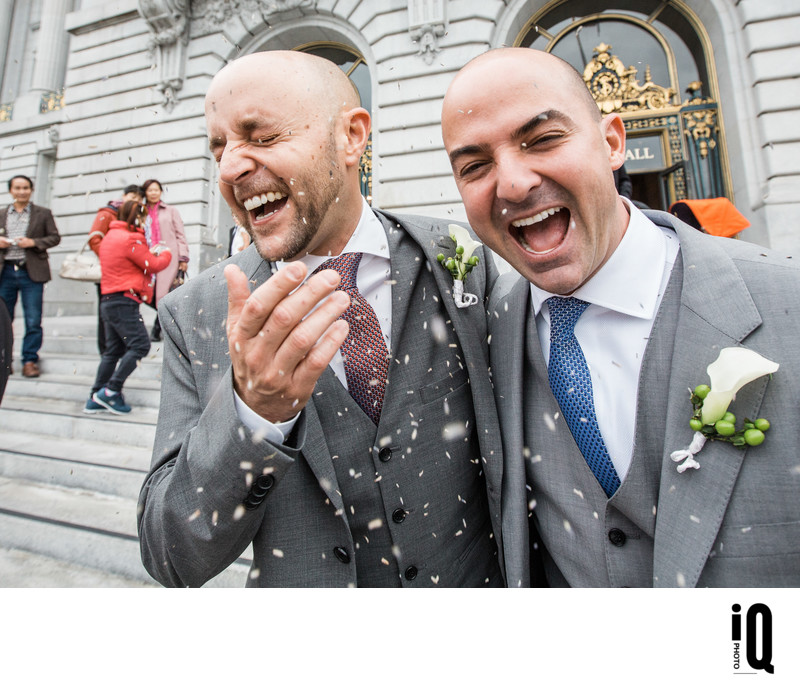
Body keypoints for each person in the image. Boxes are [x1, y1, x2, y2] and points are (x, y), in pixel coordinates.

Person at [138, 50, 506, 588]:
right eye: (219, 148)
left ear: (352, 137)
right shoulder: (194, 314)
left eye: (261, 138)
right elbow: (172, 555)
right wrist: (253, 416)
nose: (230, 168)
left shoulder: (461, 261)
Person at [441, 47, 800, 588]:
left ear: (612, 142)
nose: (512, 184)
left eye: (542, 140)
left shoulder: (785, 302)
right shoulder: (483, 330)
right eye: (475, 166)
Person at [84, 200, 172, 415]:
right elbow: (153, 264)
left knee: (112, 351)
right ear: (137, 217)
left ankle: (95, 397)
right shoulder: (131, 238)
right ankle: (111, 391)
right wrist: (166, 252)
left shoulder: (111, 237)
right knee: (140, 345)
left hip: (108, 299)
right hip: (124, 300)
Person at [0, 175, 61, 378]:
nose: (22, 191)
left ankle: (29, 360)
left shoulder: (43, 213)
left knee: (33, 319)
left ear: (31, 190)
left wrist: (32, 243)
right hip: (5, 271)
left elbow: (54, 237)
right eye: (18, 188)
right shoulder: (1, 213)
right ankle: (4, 360)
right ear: (11, 190)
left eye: (26, 187)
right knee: (3, 319)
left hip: (30, 271)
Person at [88, 184, 143, 354]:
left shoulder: (133, 215)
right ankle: (107, 349)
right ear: (124, 196)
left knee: (125, 313)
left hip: (128, 274)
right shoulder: (108, 212)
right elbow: (94, 238)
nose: (135, 201)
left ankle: (122, 347)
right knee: (107, 314)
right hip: (109, 272)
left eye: (138, 199)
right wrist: (111, 258)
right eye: (132, 197)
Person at [141, 178, 189, 341]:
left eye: (156, 190)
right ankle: (162, 326)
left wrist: (183, 257)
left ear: (161, 192)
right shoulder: (140, 211)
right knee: (147, 294)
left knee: (163, 294)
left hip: (169, 257)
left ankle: (156, 331)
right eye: (150, 190)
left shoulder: (170, 210)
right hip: (147, 257)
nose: (153, 193)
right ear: (145, 193)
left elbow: (180, 234)